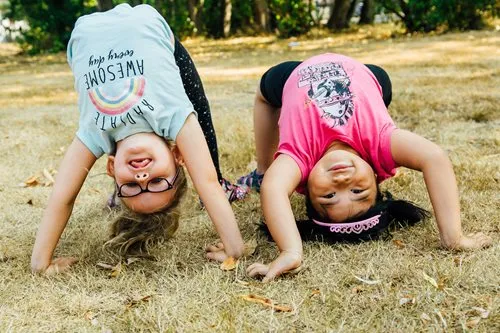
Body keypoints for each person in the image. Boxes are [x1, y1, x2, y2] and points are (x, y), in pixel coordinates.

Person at [30, 4, 247, 275]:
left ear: (112, 168)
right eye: (158, 181)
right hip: (151, 28)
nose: (143, 178)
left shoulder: (94, 134)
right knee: (198, 107)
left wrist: (41, 263)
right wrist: (233, 249)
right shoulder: (174, 118)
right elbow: (207, 182)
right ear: (179, 156)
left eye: (131, 186)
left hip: (84, 34)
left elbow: (62, 198)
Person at [236, 53, 492, 282]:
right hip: (368, 74)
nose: (343, 183)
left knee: (263, 96)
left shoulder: (301, 159)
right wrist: (453, 237)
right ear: (376, 177)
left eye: (329, 196)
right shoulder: (380, 146)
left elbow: (273, 187)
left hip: (292, 75)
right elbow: (434, 158)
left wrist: (291, 250)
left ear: (303, 187)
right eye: (359, 191)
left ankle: (260, 167)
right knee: (383, 92)